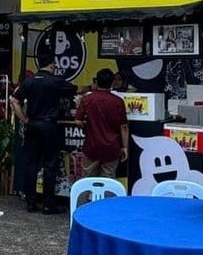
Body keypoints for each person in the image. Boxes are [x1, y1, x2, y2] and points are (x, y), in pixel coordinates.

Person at [11, 61, 76, 213]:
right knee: (50, 165)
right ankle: (48, 205)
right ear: (52, 66)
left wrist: (24, 119)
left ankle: (30, 203)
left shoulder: (28, 81)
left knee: (32, 165)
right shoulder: (55, 81)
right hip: (49, 125)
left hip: (32, 125)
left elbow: (13, 100)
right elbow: (75, 89)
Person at [75, 68, 128, 179]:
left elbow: (78, 121)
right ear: (112, 82)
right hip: (112, 148)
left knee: (87, 181)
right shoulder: (118, 101)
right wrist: (125, 147)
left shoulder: (87, 99)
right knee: (108, 182)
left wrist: (87, 127)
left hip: (91, 147)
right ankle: (106, 197)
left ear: (96, 82)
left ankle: (86, 197)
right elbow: (124, 126)